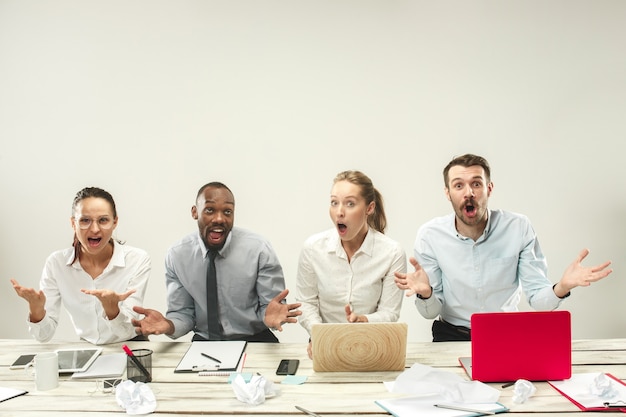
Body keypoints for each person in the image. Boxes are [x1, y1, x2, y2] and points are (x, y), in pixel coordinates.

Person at [394, 154, 613, 342]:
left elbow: (538, 300)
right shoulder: (430, 235)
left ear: (489, 188)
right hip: (451, 336)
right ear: (448, 193)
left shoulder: (518, 228)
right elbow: (431, 311)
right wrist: (426, 294)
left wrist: (562, 286)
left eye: (476, 183)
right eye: (458, 185)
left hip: (507, 334)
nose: (468, 192)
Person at [132, 182, 301, 343]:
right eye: (210, 210)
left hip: (255, 338)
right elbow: (183, 314)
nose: (219, 219)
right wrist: (168, 326)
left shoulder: (258, 250)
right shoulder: (177, 255)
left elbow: (272, 310)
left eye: (227, 212)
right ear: (194, 212)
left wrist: (268, 317)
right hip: (205, 341)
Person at [11, 187, 151, 344]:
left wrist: (112, 310)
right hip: (88, 349)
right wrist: (36, 311)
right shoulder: (56, 264)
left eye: (103, 220)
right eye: (85, 220)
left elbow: (126, 331)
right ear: (73, 223)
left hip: (131, 347)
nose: (95, 229)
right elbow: (43, 336)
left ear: (114, 222)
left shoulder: (137, 259)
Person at [297, 170, 406, 357]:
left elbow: (390, 312)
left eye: (350, 204)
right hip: (323, 347)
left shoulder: (392, 252)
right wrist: (320, 336)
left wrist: (365, 321)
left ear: (369, 208)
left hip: (372, 346)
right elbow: (306, 303)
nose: (339, 212)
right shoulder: (313, 248)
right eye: (334, 203)